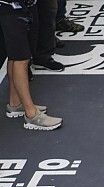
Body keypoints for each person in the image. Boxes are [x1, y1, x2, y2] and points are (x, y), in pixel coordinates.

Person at [0, 0, 62, 130]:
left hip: (20, 6)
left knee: (17, 56)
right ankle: (31, 114)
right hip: (10, 7)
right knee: (21, 58)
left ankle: (15, 103)